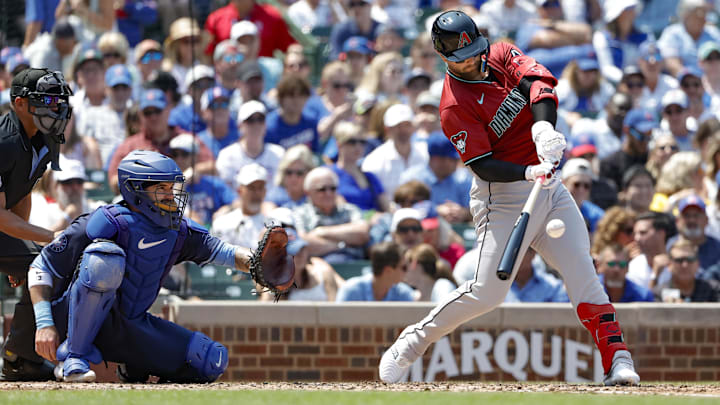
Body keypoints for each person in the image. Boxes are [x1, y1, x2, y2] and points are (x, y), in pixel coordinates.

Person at [378, 11, 640, 386]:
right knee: (488, 292)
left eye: (473, 51)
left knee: (583, 273)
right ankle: (413, 342)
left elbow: (539, 83)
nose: (471, 61)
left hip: (547, 186)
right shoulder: (454, 104)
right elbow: (482, 164)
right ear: (444, 57)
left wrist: (543, 127)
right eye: (460, 57)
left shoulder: (500, 54)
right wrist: (527, 171)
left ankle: (618, 358)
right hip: (500, 196)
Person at [27, 149, 280, 383]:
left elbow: (223, 251)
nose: (171, 195)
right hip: (74, 320)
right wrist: (45, 324)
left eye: (172, 188)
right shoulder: (104, 221)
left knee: (209, 359)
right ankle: (74, 357)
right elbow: (41, 266)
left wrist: (261, 263)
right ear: (136, 190)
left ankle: (133, 364)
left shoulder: (177, 230)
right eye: (162, 188)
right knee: (103, 259)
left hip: (130, 324)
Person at [0, 68, 72, 381]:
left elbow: (21, 194)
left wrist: (23, 250)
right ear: (18, 103)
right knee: (50, 254)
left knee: (45, 266)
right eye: (44, 101)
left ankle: (19, 358)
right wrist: (48, 236)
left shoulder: (43, 136)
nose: (54, 107)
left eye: (57, 100)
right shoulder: (3, 140)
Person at [293, 166, 369, 264]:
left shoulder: (349, 210)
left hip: (354, 263)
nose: (328, 193)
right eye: (322, 189)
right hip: (319, 268)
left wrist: (321, 232)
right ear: (308, 193)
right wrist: (341, 245)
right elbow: (303, 243)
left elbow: (362, 233)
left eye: (332, 188)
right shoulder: (300, 214)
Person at [210, 163, 269, 249]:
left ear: (265, 191)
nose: (257, 193)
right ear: (239, 190)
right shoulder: (222, 223)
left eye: (260, 188)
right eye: (251, 188)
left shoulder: (273, 225)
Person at [336, 241, 415, 302]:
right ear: (388, 271)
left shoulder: (404, 293)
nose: (408, 270)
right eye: (404, 267)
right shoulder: (351, 290)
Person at [654, 237, 720, 302]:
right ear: (669, 265)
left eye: (690, 259)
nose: (685, 265)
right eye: (679, 260)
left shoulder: (713, 290)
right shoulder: (659, 293)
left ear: (698, 264)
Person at [502, 248, 569, 303]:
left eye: (519, 251)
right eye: (510, 252)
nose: (513, 257)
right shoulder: (498, 285)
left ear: (533, 253)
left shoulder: (554, 287)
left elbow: (563, 316)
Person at [628, 211, 674, 290]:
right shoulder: (634, 266)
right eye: (635, 233)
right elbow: (642, 300)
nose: (637, 238)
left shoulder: (680, 261)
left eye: (643, 233)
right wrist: (655, 276)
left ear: (661, 233)